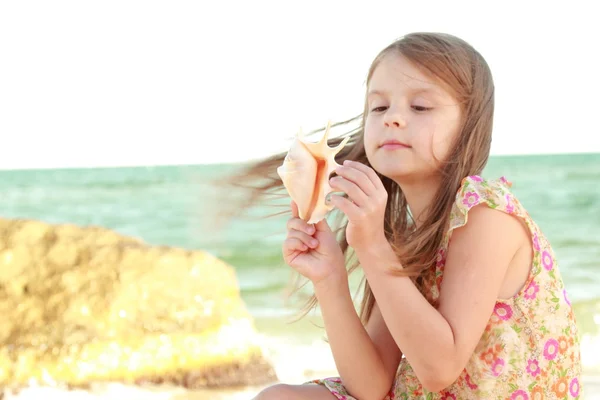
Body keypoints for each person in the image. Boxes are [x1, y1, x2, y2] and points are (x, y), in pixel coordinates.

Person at [219, 32, 583, 399]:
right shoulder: (412, 239)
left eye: (420, 107)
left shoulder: (485, 214)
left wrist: (373, 246)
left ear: (468, 125)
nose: (393, 118)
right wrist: (330, 277)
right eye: (378, 108)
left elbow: (440, 368)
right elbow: (371, 385)